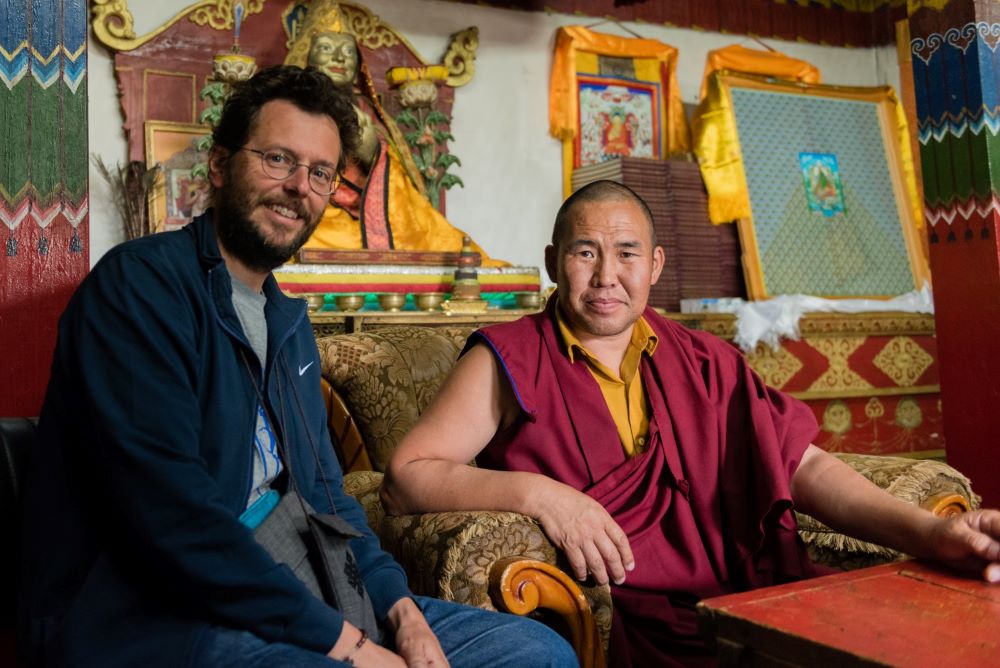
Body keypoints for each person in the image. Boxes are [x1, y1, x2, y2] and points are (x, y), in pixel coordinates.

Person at [17, 65, 576, 668]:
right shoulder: (140, 289)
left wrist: (401, 615)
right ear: (219, 164)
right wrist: (354, 649)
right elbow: (173, 523)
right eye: (278, 159)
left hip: (300, 589)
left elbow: (327, 500)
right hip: (159, 614)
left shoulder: (287, 322)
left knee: (533, 651)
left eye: (319, 173)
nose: (299, 187)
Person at [380, 179, 1000, 667]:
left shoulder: (704, 359)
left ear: (654, 265)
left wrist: (927, 534)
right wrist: (542, 496)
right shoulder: (510, 357)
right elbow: (405, 478)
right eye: (584, 252)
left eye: (625, 254)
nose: (605, 277)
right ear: (552, 261)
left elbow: (800, 464)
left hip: (739, 602)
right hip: (619, 614)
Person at [284, 2, 505, 265]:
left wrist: (373, 153)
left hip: (365, 215)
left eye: (347, 51)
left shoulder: (366, 113)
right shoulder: (287, 112)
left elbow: (397, 185)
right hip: (312, 209)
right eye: (326, 49)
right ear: (306, 54)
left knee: (438, 239)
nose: (339, 59)